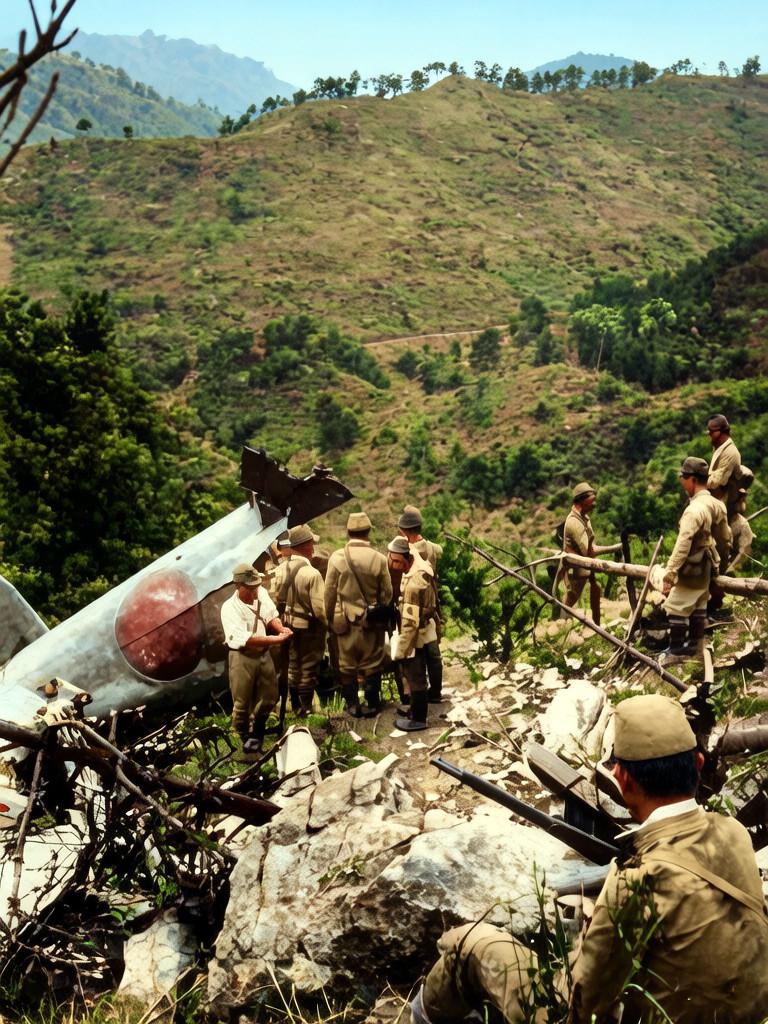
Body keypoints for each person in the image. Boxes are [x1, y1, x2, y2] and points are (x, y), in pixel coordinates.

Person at [412, 694, 768, 1024]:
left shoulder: (637, 882)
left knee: (468, 944)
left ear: (622, 779)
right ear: (699, 763)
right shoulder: (732, 832)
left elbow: (582, 1008)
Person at [324, 511, 393, 717]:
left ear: (348, 532)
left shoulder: (336, 558)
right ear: (368, 531)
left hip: (344, 621)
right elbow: (387, 594)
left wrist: (329, 619)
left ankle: (353, 705)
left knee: (346, 665)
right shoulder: (379, 559)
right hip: (370, 622)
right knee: (372, 663)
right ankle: (372, 704)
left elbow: (328, 593)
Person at [220, 562, 292, 755]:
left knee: (270, 696)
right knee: (242, 703)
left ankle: (257, 732)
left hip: (263, 653)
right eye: (250, 588)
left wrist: (281, 628)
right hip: (242, 656)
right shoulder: (229, 608)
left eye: (256, 586)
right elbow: (245, 639)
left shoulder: (261, 593)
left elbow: (270, 615)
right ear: (238, 586)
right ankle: (243, 737)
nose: (254, 591)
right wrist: (275, 639)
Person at [662, 456, 730, 656]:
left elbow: (683, 543)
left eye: (683, 477)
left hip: (692, 565)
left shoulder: (693, 511)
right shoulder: (717, 505)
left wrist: (670, 573)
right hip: (708, 564)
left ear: (691, 479)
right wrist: (721, 565)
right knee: (699, 603)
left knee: (676, 606)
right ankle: (695, 646)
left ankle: (675, 650)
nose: (682, 481)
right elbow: (725, 540)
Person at [386, 536, 439, 732]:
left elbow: (409, 624)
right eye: (392, 560)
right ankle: (415, 712)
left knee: (415, 674)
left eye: (398, 561)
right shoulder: (416, 562)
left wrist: (400, 651)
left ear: (407, 559)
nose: (394, 565)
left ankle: (418, 718)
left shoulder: (413, 586)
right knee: (416, 673)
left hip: (415, 633)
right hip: (423, 627)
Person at [707, 414, 752, 619]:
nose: (709, 435)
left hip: (722, 508)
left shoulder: (730, 453)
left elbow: (716, 483)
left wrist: (700, 480)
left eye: (712, 431)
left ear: (722, 431)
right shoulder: (719, 449)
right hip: (715, 505)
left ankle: (717, 600)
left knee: (718, 553)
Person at [398, 505, 444, 704]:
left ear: (403, 531)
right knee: (434, 655)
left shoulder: (405, 552)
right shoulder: (433, 548)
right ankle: (435, 692)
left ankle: (412, 696)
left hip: (411, 606)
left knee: (412, 655)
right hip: (431, 607)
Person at [281, 524, 327, 717]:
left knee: (293, 665)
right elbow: (320, 609)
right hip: (309, 629)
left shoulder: (282, 568)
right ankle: (306, 709)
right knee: (308, 667)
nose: (313, 547)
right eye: (311, 543)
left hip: (287, 625)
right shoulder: (312, 573)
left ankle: (295, 705)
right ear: (306, 545)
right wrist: (330, 625)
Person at [561, 482, 615, 625]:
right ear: (581, 501)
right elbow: (589, 551)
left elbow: (592, 547)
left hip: (586, 568)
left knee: (592, 594)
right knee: (570, 600)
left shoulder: (585, 518)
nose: (594, 504)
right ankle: (560, 625)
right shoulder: (574, 523)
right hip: (576, 571)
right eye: (592, 501)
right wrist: (616, 547)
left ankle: (596, 627)